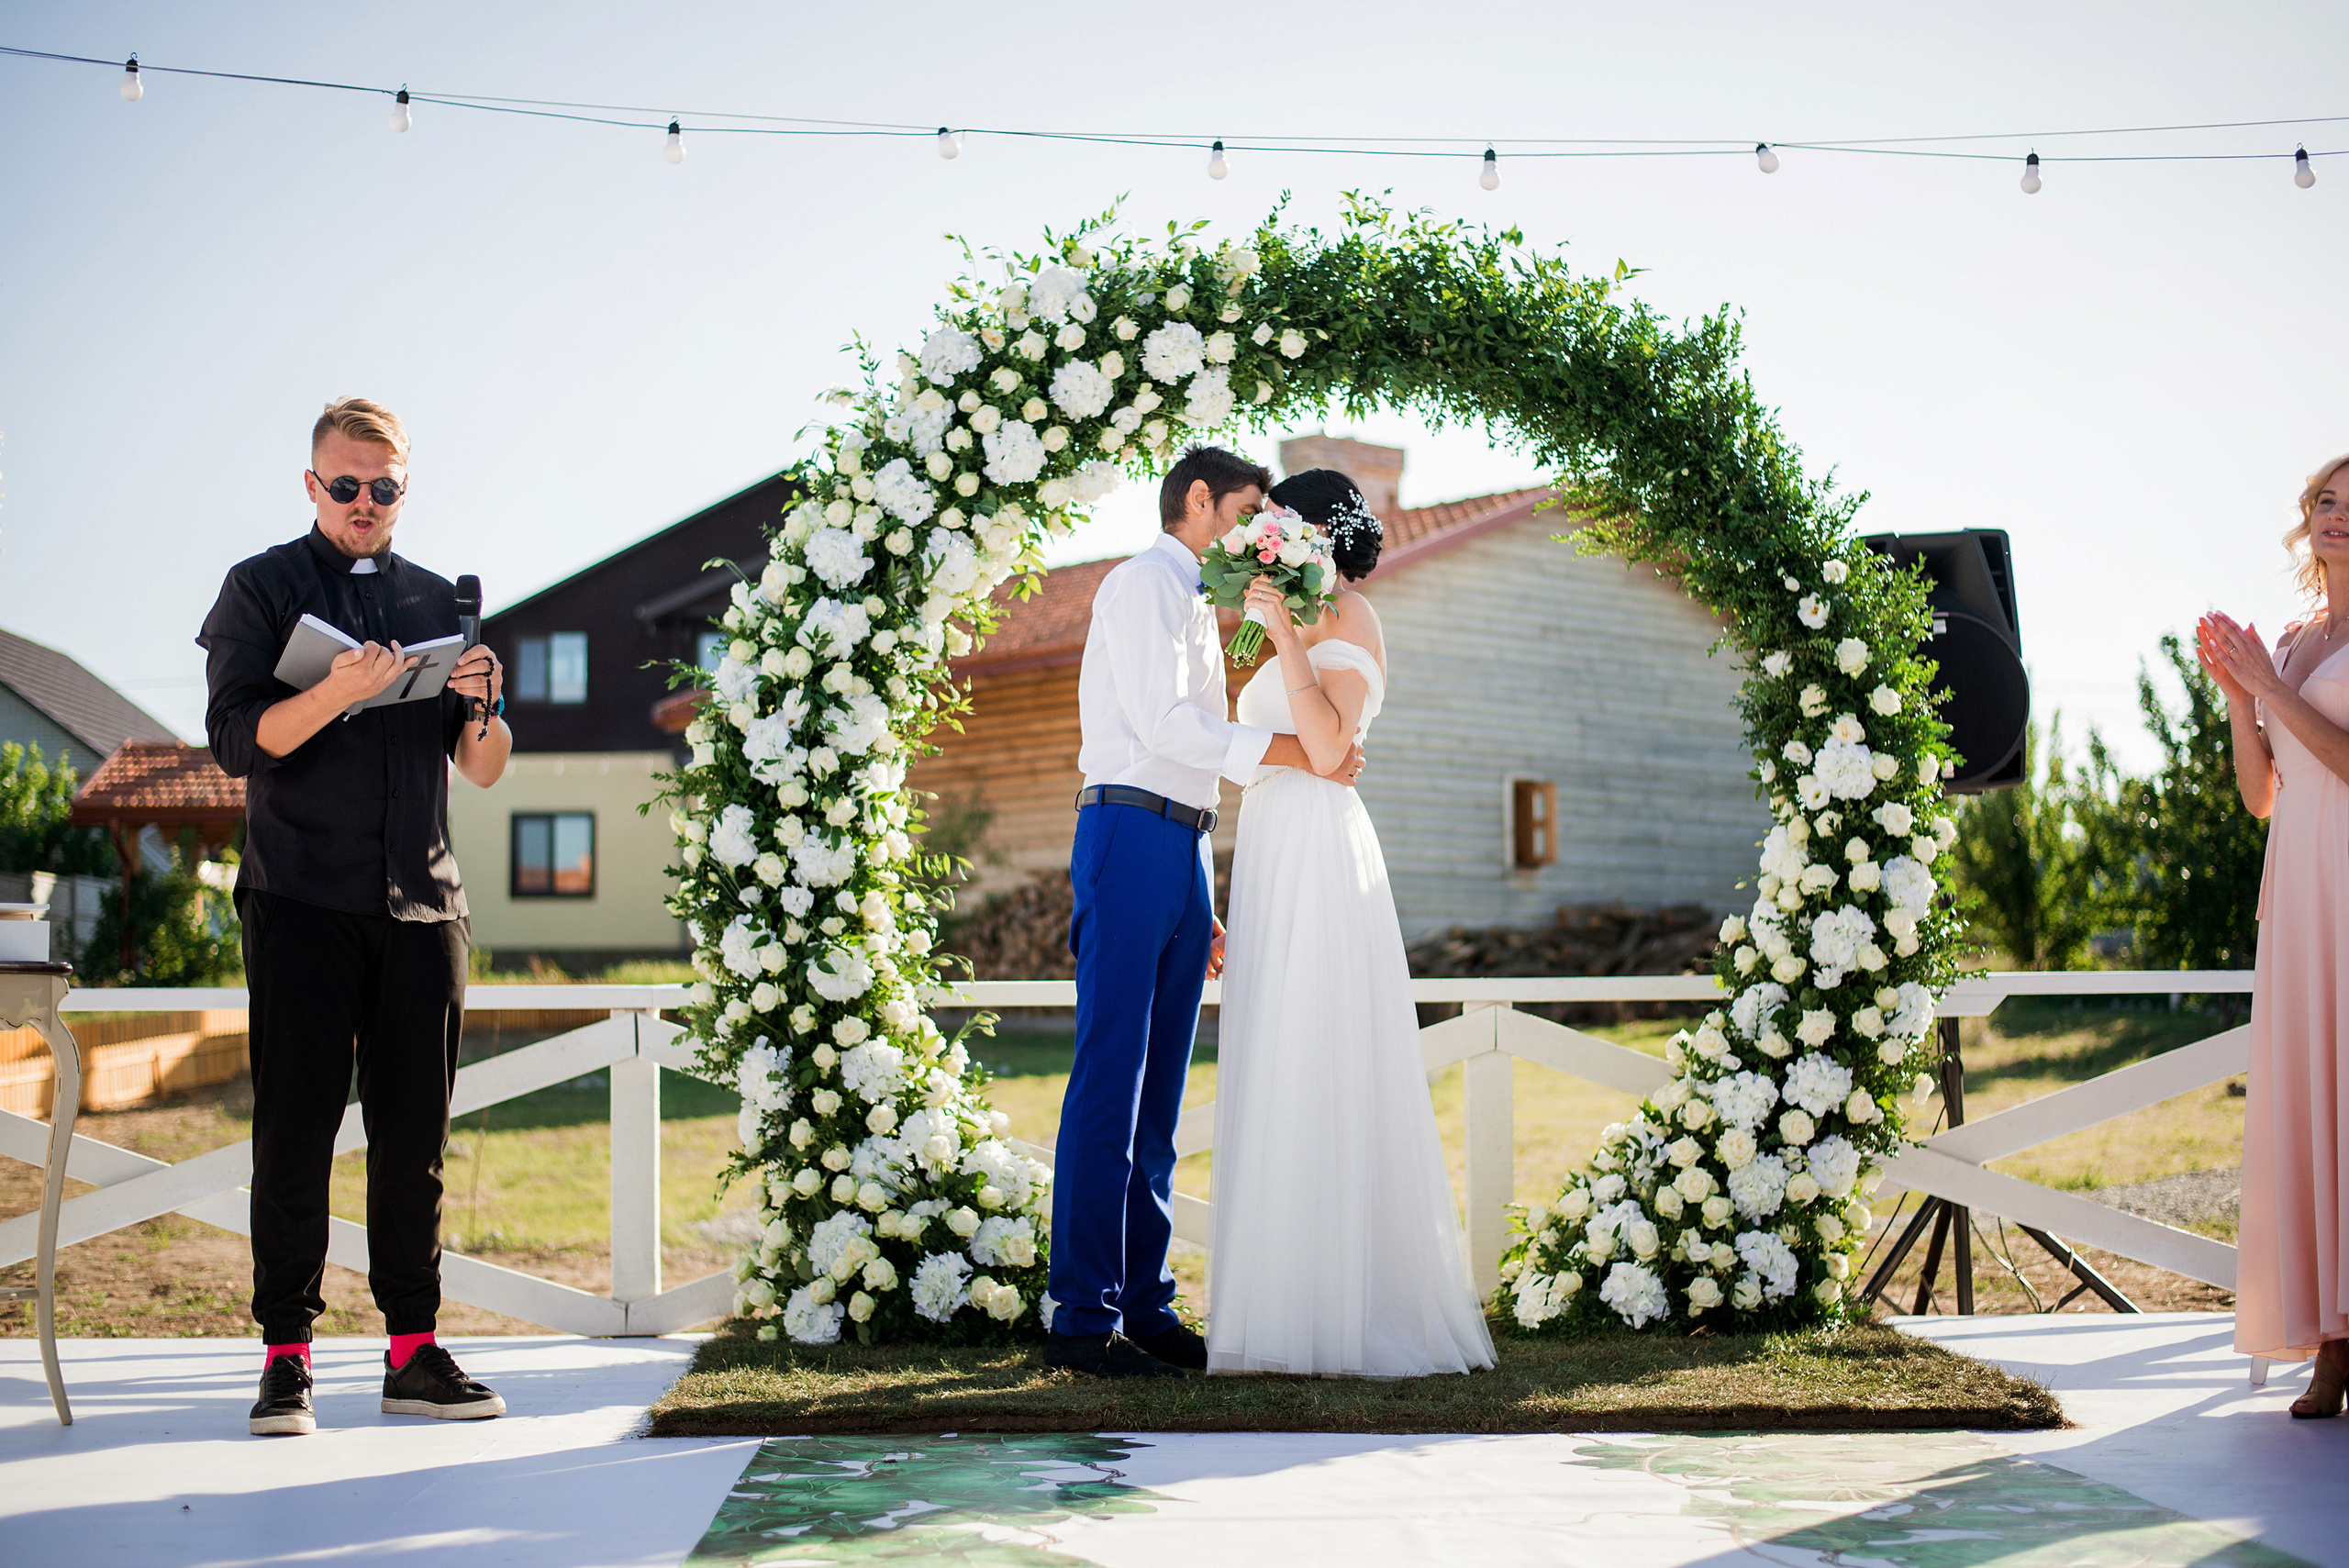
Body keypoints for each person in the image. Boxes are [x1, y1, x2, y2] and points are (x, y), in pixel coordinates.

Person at [199, 397, 513, 1437]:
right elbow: (239, 743)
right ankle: (285, 1358)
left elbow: (481, 768)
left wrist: (482, 703)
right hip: (300, 899)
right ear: (312, 483)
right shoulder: (261, 587)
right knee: (293, 1129)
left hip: (425, 904)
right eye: (346, 485)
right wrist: (336, 692)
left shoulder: (436, 600)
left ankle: (413, 1352)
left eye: (384, 486)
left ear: (403, 487)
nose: (365, 502)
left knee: (413, 1139)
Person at [1046, 445, 1365, 1378]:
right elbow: (1169, 733)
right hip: (1125, 831)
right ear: (1200, 500)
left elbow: (1194, 755)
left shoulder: (1196, 602)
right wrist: (1304, 753)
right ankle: (1080, 1312)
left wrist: (1202, 888)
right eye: (1249, 509)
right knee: (1111, 1073)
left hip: (1180, 842)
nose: (1261, 530)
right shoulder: (1140, 586)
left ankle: (1145, 1304)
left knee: (1164, 1092)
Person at [1207, 469, 1496, 1378]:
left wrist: (1290, 638)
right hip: (1268, 843)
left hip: (1321, 851)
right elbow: (1226, 710)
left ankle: (1344, 1309)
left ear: (1317, 529)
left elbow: (1331, 747)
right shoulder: (1275, 613)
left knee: (1319, 1046)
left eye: (1281, 522)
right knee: (1272, 1049)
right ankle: (1274, 1304)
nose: (1271, 533)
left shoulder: (1353, 617)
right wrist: (1260, 618)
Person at [2198, 449, 2349, 1419]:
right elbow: (2261, 793)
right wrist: (2233, 691)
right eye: (2326, 500)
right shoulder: (2290, 638)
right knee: (2311, 1103)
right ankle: (2331, 1342)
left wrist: (2272, 686)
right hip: (2296, 894)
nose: (2338, 515)